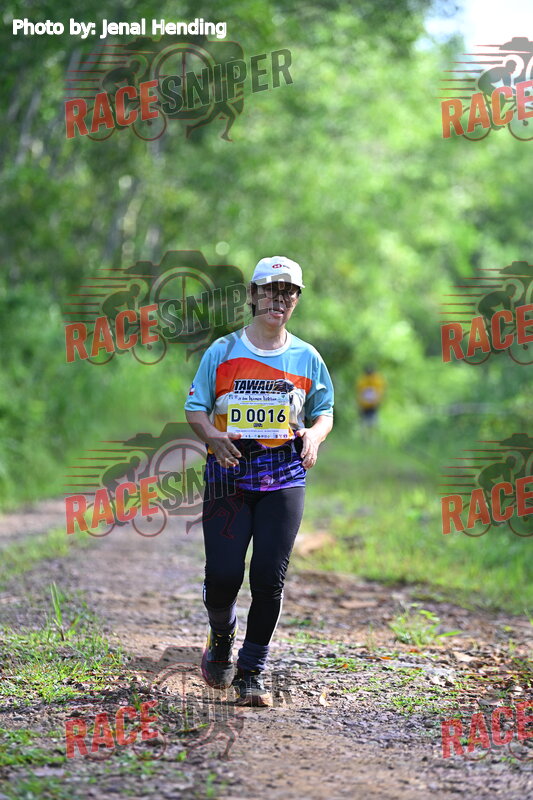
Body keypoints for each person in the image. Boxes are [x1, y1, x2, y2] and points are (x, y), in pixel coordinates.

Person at [184, 256, 334, 707]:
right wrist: (212, 436)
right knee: (224, 576)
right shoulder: (223, 351)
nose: (278, 300)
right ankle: (221, 635)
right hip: (228, 474)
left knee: (269, 578)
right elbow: (196, 408)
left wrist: (314, 436)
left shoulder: (307, 357)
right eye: (270, 290)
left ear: (297, 300)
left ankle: (252, 672)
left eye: (288, 292)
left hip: (284, 476)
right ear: (253, 295)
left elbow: (324, 411)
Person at [356, 365, 385, 431]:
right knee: (367, 422)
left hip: (371, 405)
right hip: (366, 405)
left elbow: (380, 392)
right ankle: (368, 433)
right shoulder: (364, 380)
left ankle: (370, 433)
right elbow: (359, 392)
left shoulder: (374, 380)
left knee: (370, 422)